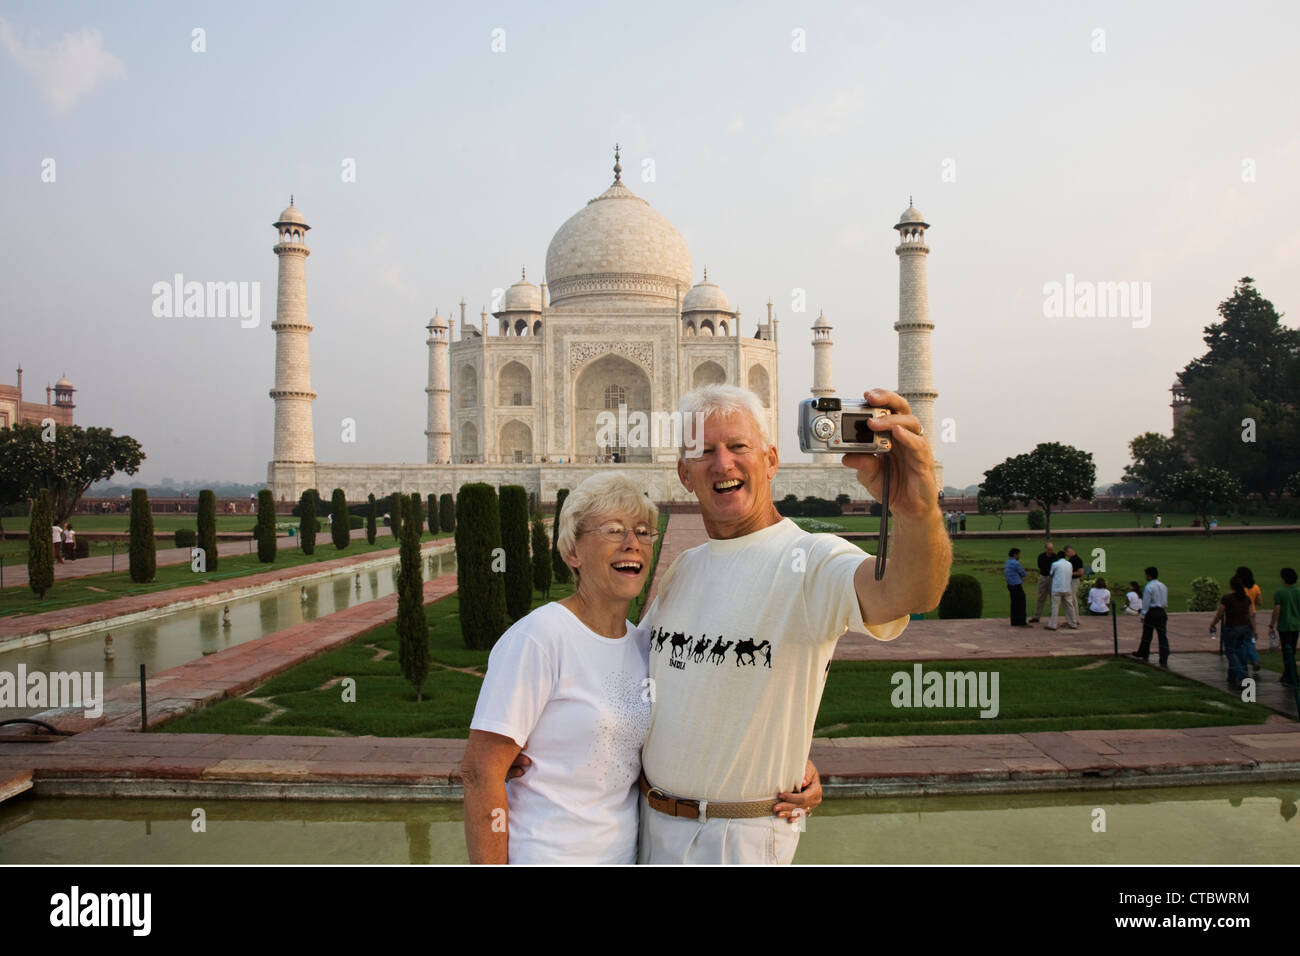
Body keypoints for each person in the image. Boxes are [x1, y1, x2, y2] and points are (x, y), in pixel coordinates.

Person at [635, 385, 949, 865]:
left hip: (736, 838)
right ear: (684, 473)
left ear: (770, 459)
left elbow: (908, 592)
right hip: (649, 826)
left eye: (739, 446)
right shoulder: (683, 570)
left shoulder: (812, 560)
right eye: (704, 451)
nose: (723, 464)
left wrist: (918, 511)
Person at [461, 472, 824, 864]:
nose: (631, 543)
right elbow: (481, 772)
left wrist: (786, 764)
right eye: (614, 531)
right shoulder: (541, 637)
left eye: (643, 531)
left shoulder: (643, 644)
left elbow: (697, 720)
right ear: (572, 553)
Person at [1210, 576, 1255, 689]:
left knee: (1231, 653)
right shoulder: (1246, 598)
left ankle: (1242, 676)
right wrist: (1254, 629)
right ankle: (1232, 676)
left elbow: (1220, 614)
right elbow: (1250, 616)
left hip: (1231, 628)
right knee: (1241, 652)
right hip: (1244, 628)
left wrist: (1213, 624)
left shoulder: (1227, 598)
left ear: (1231, 586)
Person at [1128, 566, 1170, 667]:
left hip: (1152, 612)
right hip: (1162, 611)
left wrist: (1143, 614)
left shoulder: (1149, 587)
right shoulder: (1163, 586)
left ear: (1149, 576)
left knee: (1147, 634)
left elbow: (1146, 603)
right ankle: (1164, 657)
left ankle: (1143, 652)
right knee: (1162, 635)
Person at [1268, 568, 1300, 687]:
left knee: (1287, 653)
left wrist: (1272, 624)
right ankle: (1288, 674)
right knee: (1291, 650)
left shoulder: (1280, 592)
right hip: (1296, 626)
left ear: (1284, 578)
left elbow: (1277, 609)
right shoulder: (1298, 591)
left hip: (1285, 626)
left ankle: (1292, 677)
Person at [1045, 550, 1077, 630]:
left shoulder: (1055, 564)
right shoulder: (1069, 564)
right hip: (1067, 587)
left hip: (1057, 588)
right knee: (1070, 606)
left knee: (1055, 606)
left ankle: (1053, 624)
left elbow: (1051, 574)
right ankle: (1073, 623)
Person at [1029, 541, 1056, 623]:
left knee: (1053, 598)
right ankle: (1037, 616)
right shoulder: (1041, 556)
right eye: (1049, 549)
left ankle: (1053, 616)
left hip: (1053, 579)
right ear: (1045, 549)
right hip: (1043, 577)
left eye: (1052, 549)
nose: (1050, 551)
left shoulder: (1055, 557)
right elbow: (1040, 567)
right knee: (1041, 597)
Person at [1005, 548, 1029, 626]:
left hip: (1010, 585)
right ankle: (1022, 621)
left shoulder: (1008, 562)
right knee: (1021, 603)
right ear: (1015, 555)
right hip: (1016, 585)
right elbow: (1023, 573)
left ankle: (1014, 621)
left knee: (1014, 604)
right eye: (1018, 554)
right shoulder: (1015, 563)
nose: (1019, 556)